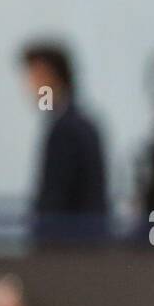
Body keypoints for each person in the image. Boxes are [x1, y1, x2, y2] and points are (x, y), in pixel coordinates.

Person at [21, 43, 108, 245]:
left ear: (50, 77)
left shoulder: (66, 129)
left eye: (35, 78)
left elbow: (57, 199)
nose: (30, 87)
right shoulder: (77, 123)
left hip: (68, 251)